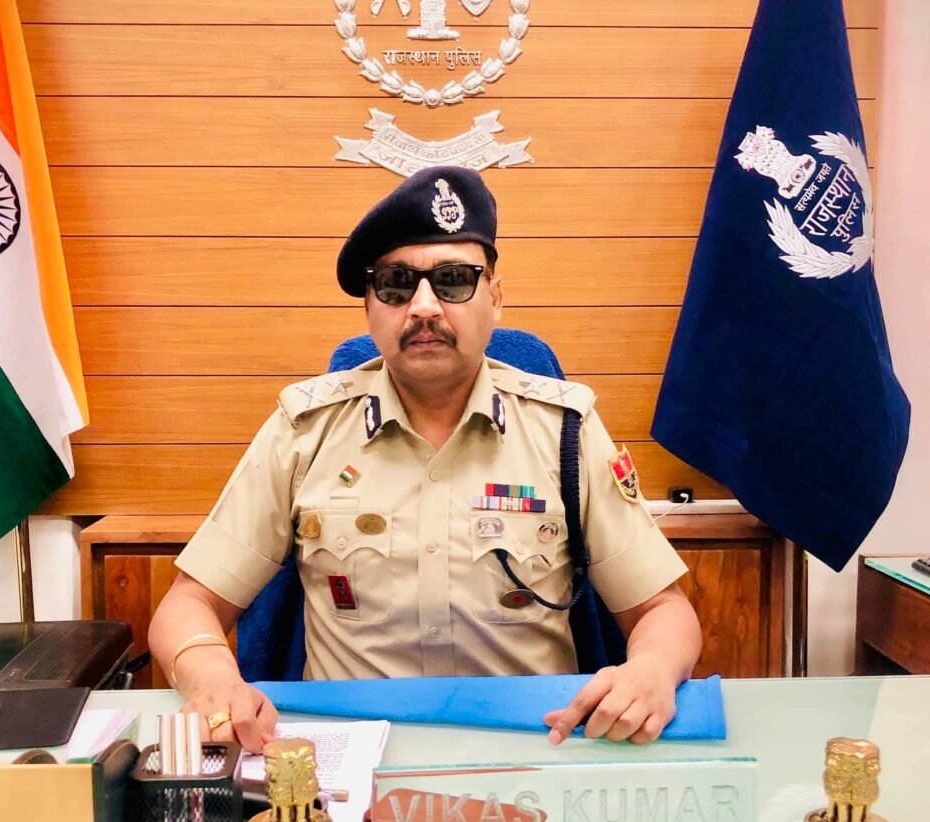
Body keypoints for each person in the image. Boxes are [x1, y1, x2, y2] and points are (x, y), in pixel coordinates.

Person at [148, 167, 702, 751]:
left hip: (534, 745)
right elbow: (189, 603)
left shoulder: (564, 429)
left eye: (453, 280)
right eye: (395, 284)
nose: (424, 307)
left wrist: (651, 669)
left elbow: (662, 610)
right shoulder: (305, 432)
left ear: (495, 297)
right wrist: (212, 678)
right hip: (351, 756)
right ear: (370, 306)